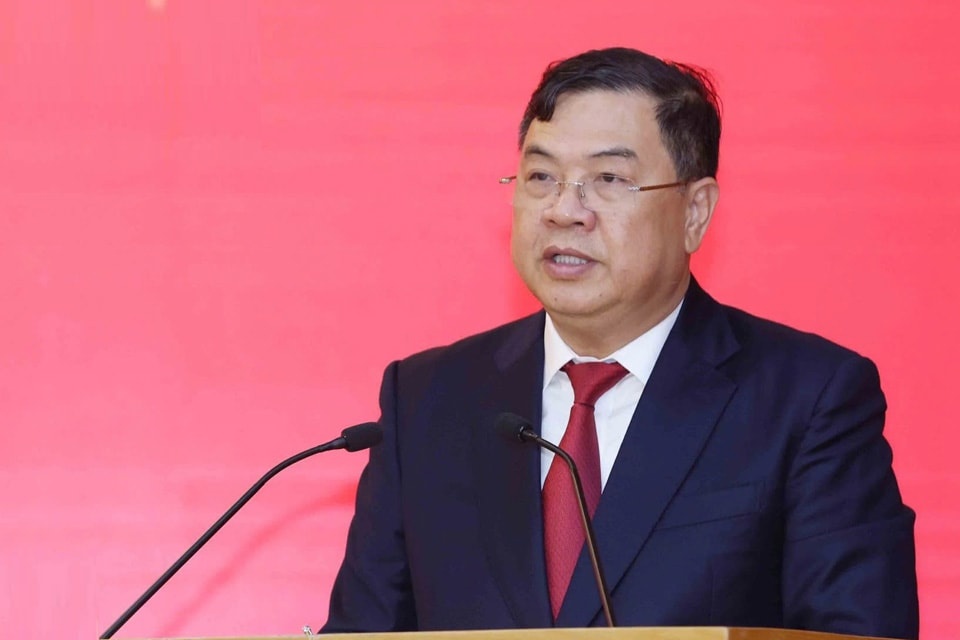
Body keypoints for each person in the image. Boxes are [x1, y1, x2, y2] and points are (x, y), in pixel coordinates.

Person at [321, 47, 918, 639]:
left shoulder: (807, 400)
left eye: (608, 179)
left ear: (695, 212)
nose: (564, 211)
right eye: (541, 177)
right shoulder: (427, 399)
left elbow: (859, 634)